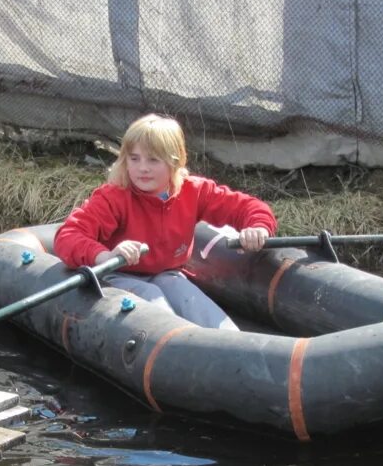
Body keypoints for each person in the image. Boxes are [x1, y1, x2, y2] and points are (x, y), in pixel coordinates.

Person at [53, 114, 277, 330]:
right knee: (153, 298)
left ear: (174, 162)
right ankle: (175, 346)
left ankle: (230, 344)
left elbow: (248, 207)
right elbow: (68, 236)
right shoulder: (114, 196)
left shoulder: (194, 191)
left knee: (188, 298)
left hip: (167, 273)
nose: (142, 168)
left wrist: (258, 226)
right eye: (134, 158)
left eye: (153, 159)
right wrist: (106, 256)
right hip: (117, 275)